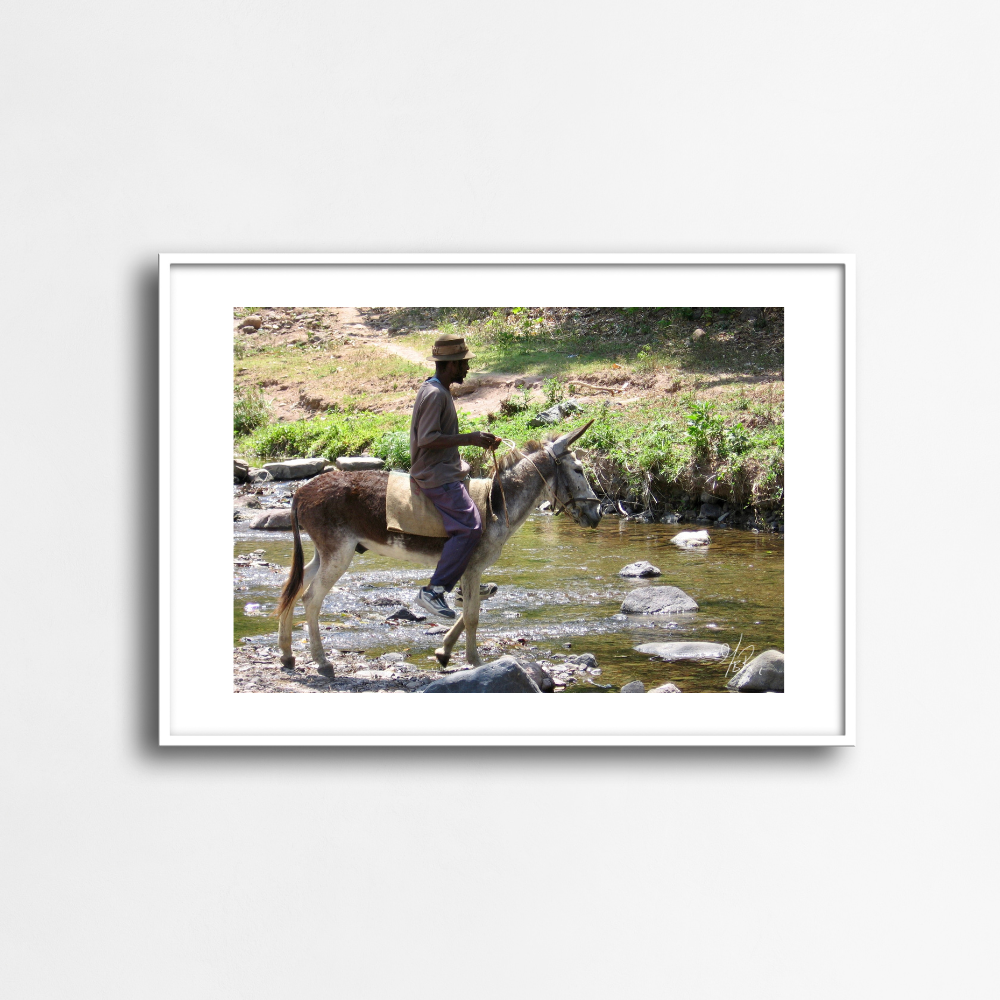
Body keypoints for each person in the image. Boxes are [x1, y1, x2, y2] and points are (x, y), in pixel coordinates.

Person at [410, 333, 499, 619]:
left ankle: (465, 582)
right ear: (450, 365)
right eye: (463, 364)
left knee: (478, 516)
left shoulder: (437, 388)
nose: (467, 369)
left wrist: (475, 439)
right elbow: (427, 439)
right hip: (436, 475)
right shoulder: (436, 394)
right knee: (470, 527)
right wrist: (469, 439)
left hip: (445, 469)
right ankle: (434, 590)